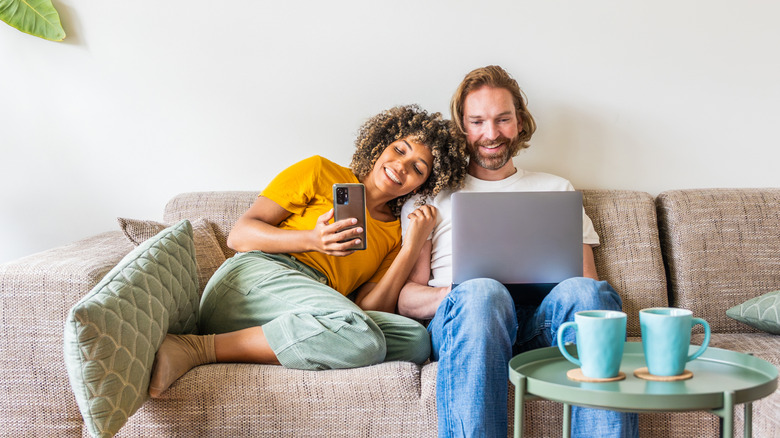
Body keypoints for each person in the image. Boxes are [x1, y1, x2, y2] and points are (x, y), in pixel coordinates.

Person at [148, 104, 469, 398]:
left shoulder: (393, 233)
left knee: (415, 339)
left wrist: (411, 247)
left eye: (418, 167)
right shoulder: (320, 172)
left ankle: (301, 340)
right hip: (254, 280)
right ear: (382, 143)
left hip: (313, 304)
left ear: (423, 185)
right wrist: (313, 239)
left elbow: (372, 307)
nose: (401, 165)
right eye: (400, 149)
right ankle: (197, 349)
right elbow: (240, 235)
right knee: (361, 336)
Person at [398, 66, 639, 437]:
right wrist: (461, 292)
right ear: (461, 127)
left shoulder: (557, 190)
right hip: (466, 323)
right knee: (483, 292)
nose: (491, 134)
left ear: (520, 122)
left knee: (587, 292)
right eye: (477, 121)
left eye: (502, 119)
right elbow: (407, 299)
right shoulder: (433, 195)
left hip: (538, 325)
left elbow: (586, 286)